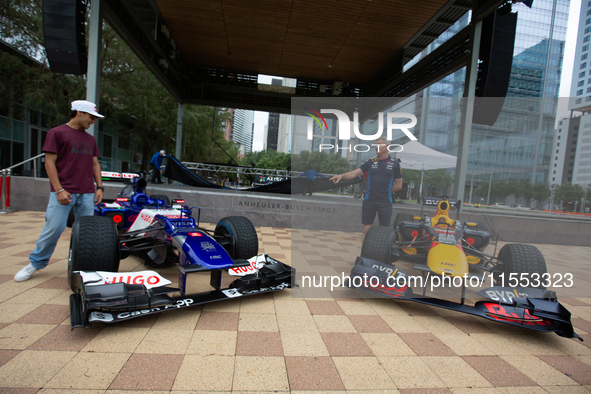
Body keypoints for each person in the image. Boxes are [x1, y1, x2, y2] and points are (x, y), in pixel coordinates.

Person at [14, 100, 104, 282]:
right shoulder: (56, 133)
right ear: (79, 113)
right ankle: (36, 263)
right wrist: (59, 190)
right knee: (54, 228)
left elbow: (95, 164)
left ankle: (85, 268)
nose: (93, 121)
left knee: (86, 233)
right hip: (63, 192)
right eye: (92, 117)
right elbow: (49, 163)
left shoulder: (90, 139)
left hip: (86, 192)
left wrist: (99, 187)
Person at [330, 137, 402, 243]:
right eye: (375, 144)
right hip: (369, 200)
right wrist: (342, 175)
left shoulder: (395, 164)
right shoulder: (371, 162)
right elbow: (355, 173)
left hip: (385, 201)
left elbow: (398, 185)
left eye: (380, 144)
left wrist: (384, 191)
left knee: (384, 230)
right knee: (366, 229)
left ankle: (380, 254)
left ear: (387, 146)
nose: (376, 146)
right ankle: (365, 255)